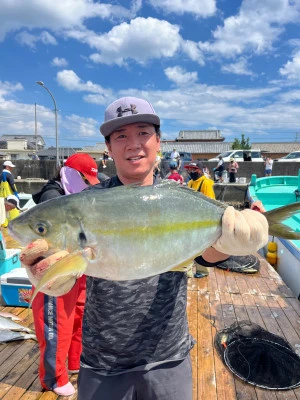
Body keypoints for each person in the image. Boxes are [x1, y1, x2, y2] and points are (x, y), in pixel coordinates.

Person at [20, 97, 268, 400]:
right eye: (121, 136)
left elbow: (206, 256)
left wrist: (232, 243)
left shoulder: (178, 197)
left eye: (143, 133)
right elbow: (66, 266)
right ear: (108, 148)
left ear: (159, 141)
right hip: (102, 359)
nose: (133, 144)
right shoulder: (87, 202)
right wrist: (51, 277)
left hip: (168, 355)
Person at [23, 153, 100, 397]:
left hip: (77, 265)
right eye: (85, 180)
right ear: (70, 174)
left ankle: (74, 362)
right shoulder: (52, 195)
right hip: (54, 271)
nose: (88, 186)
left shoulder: (79, 195)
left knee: (79, 315)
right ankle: (53, 378)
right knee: (55, 324)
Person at [0, 161, 19, 227]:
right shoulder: (9, 175)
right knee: (13, 212)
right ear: (7, 167)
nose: (12, 169)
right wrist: (16, 193)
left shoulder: (1, 175)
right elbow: (12, 185)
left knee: (3, 213)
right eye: (11, 167)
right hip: (10, 197)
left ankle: (4, 225)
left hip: (2, 197)